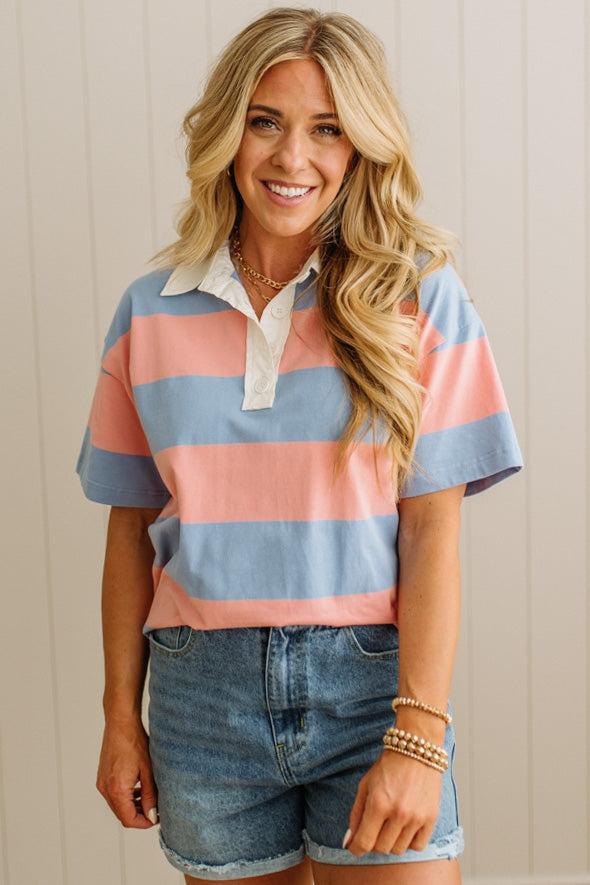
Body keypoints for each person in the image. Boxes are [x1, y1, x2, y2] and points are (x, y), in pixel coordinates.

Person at [75, 7, 524, 884]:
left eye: (328, 129)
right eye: (265, 121)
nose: (292, 158)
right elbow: (130, 533)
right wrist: (120, 720)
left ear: (361, 146)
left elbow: (433, 532)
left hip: (374, 694)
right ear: (225, 132)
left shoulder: (420, 298)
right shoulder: (149, 311)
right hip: (202, 701)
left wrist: (421, 735)